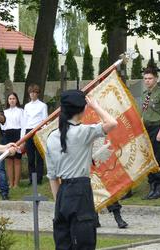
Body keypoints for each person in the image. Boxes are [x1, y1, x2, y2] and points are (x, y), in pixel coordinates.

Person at [46, 90, 117, 250]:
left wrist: (59, 205)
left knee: (63, 242)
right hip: (80, 190)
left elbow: (52, 177)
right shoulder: (83, 132)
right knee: (84, 241)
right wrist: (96, 106)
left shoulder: (51, 137)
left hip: (62, 193)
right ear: (83, 109)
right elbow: (112, 123)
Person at [141, 67, 160, 199]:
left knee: (159, 158)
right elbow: (144, 113)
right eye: (145, 78)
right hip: (146, 128)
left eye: (150, 78)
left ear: (156, 79)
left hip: (157, 127)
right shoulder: (144, 95)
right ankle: (152, 186)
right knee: (148, 158)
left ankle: (159, 187)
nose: (147, 81)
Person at [22, 84, 48, 185]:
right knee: (31, 157)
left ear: (37, 93)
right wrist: (23, 137)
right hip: (28, 131)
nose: (32, 94)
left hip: (38, 130)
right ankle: (32, 179)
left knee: (39, 156)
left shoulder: (42, 105)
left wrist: (43, 134)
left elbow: (44, 120)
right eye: (31, 92)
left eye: (34, 92)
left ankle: (39, 178)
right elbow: (24, 121)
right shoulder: (27, 106)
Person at [2, 92, 24, 188]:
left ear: (17, 100)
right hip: (7, 135)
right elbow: (2, 126)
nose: (12, 100)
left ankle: (16, 184)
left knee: (17, 160)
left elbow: (23, 126)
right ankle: (10, 183)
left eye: (13, 98)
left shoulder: (21, 111)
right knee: (9, 160)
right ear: (7, 100)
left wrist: (22, 140)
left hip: (18, 134)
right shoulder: (4, 112)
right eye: (10, 98)